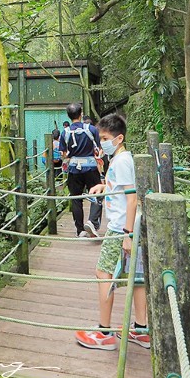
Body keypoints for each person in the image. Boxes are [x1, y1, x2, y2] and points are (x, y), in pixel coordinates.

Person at [75, 113, 150, 351]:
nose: (102, 142)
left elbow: (132, 199)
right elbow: (121, 187)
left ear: (119, 138)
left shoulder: (122, 161)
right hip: (127, 227)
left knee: (103, 273)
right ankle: (141, 330)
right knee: (136, 278)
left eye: (105, 138)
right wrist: (104, 186)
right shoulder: (120, 159)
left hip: (120, 229)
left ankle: (103, 333)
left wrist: (127, 235)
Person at [60, 102, 102, 237]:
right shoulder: (92, 129)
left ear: (68, 115)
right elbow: (98, 149)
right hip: (90, 167)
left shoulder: (65, 132)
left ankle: (80, 231)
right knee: (97, 194)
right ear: (81, 113)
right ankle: (92, 221)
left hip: (74, 169)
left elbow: (64, 154)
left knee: (76, 199)